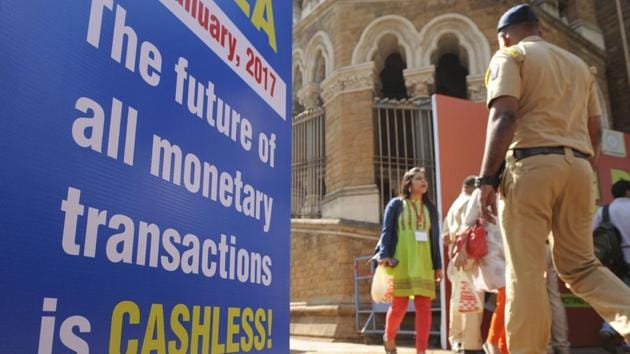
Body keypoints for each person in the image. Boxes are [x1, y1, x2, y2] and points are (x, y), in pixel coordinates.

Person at [476, 4, 630, 353]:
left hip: (530, 166)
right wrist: (581, 166)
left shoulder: (510, 56)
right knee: (582, 266)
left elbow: (504, 114)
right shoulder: (579, 67)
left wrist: (486, 180)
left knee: (526, 273)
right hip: (578, 167)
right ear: (540, 30)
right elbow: (595, 129)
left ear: (504, 36)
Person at [374, 167, 443, 354]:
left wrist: (438, 265)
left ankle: (421, 350)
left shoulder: (430, 208)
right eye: (418, 178)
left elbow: (434, 238)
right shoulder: (396, 204)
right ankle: (389, 336)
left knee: (424, 306)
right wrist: (384, 254)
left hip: (424, 262)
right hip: (401, 259)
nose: (424, 181)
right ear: (408, 183)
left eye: (424, 179)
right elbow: (387, 231)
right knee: (399, 305)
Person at [457, 187, 507, 354]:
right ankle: (493, 341)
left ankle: (502, 346)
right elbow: (467, 222)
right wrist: (461, 250)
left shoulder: (516, 184)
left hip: (512, 250)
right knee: (507, 295)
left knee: (511, 299)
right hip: (490, 250)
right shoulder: (483, 190)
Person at [442, 176, 480, 353]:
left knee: (458, 299)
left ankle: (457, 340)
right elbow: (468, 231)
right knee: (471, 299)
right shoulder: (470, 203)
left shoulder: (453, 205)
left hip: (456, 259)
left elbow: (444, 237)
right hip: (468, 257)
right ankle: (470, 343)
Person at [593, 179, 630, 353]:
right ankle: (625, 342)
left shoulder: (603, 211)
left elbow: (592, 233)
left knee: (619, 298)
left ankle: (608, 329)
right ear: (628, 192)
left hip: (615, 261)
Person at [545, 243, 571, 354]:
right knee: (554, 296)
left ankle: (546, 347)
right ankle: (562, 346)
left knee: (538, 297)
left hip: (534, 245)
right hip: (551, 245)